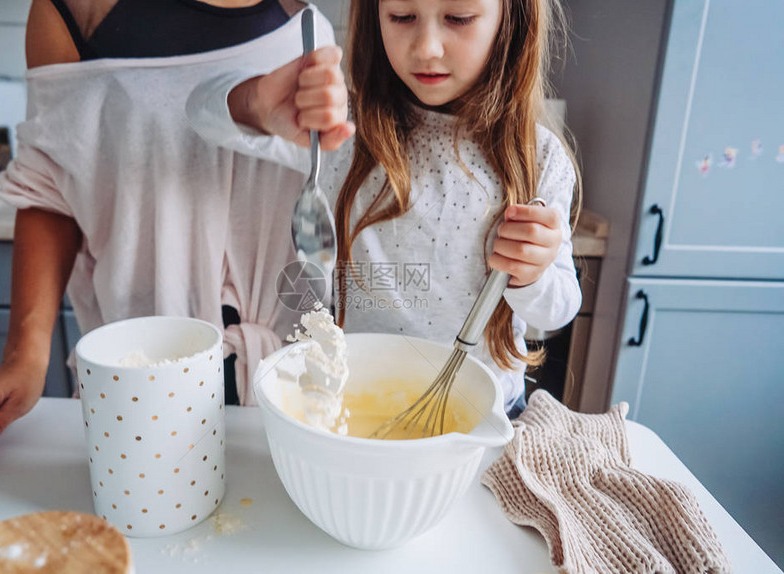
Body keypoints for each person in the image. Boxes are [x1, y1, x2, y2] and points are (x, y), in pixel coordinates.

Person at [0, 0, 347, 479]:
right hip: (138, 376)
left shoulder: (304, 12)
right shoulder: (74, 11)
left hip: (288, 380)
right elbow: (52, 184)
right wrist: (25, 353)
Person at [187, 0, 582, 418]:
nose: (427, 47)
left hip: (486, 412)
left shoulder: (538, 157)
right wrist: (257, 103)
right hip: (355, 406)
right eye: (402, 17)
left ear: (512, 19)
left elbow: (558, 308)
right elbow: (200, 113)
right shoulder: (341, 133)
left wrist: (533, 275)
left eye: (458, 19)